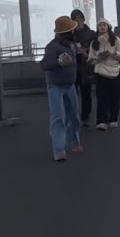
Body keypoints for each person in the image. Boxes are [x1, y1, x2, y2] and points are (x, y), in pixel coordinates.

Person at [40, 16, 82, 162]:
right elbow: (44, 65)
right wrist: (59, 61)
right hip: (55, 86)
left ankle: (75, 142)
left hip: (70, 84)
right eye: (71, 29)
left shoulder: (72, 45)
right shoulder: (52, 46)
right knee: (58, 118)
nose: (74, 31)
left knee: (74, 116)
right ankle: (59, 150)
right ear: (66, 32)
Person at [89, 19, 120, 130]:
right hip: (100, 71)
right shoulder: (94, 42)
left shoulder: (116, 40)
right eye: (100, 25)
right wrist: (98, 58)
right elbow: (90, 58)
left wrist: (113, 53)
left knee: (115, 96)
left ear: (108, 27)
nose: (102, 27)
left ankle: (113, 118)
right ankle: (101, 121)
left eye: (104, 25)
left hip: (114, 71)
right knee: (101, 97)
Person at [68, 9, 97, 127]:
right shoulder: (68, 34)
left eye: (81, 19)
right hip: (72, 67)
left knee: (86, 93)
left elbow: (96, 49)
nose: (79, 22)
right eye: (76, 20)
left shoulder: (91, 33)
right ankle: (73, 116)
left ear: (84, 20)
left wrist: (87, 52)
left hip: (86, 67)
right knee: (72, 93)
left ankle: (85, 116)